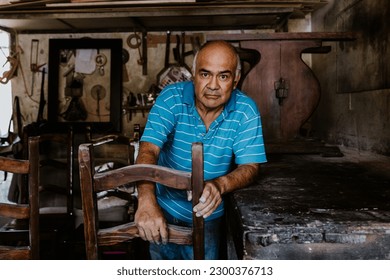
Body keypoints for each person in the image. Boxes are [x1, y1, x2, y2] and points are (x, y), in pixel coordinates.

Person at [134, 40, 267, 260]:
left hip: (209, 217)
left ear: (235, 80)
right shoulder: (170, 98)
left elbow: (251, 166)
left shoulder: (245, 110)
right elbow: (149, 150)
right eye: (205, 74)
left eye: (223, 76)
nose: (213, 85)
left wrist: (219, 185)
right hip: (162, 211)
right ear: (194, 75)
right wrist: (146, 201)